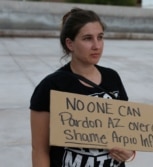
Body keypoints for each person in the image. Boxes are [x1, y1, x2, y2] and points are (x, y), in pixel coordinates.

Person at [30, 8, 135, 167]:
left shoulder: (113, 78)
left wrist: (130, 153)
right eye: (87, 38)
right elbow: (40, 150)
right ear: (70, 43)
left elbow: (126, 133)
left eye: (100, 37)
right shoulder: (51, 86)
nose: (96, 46)